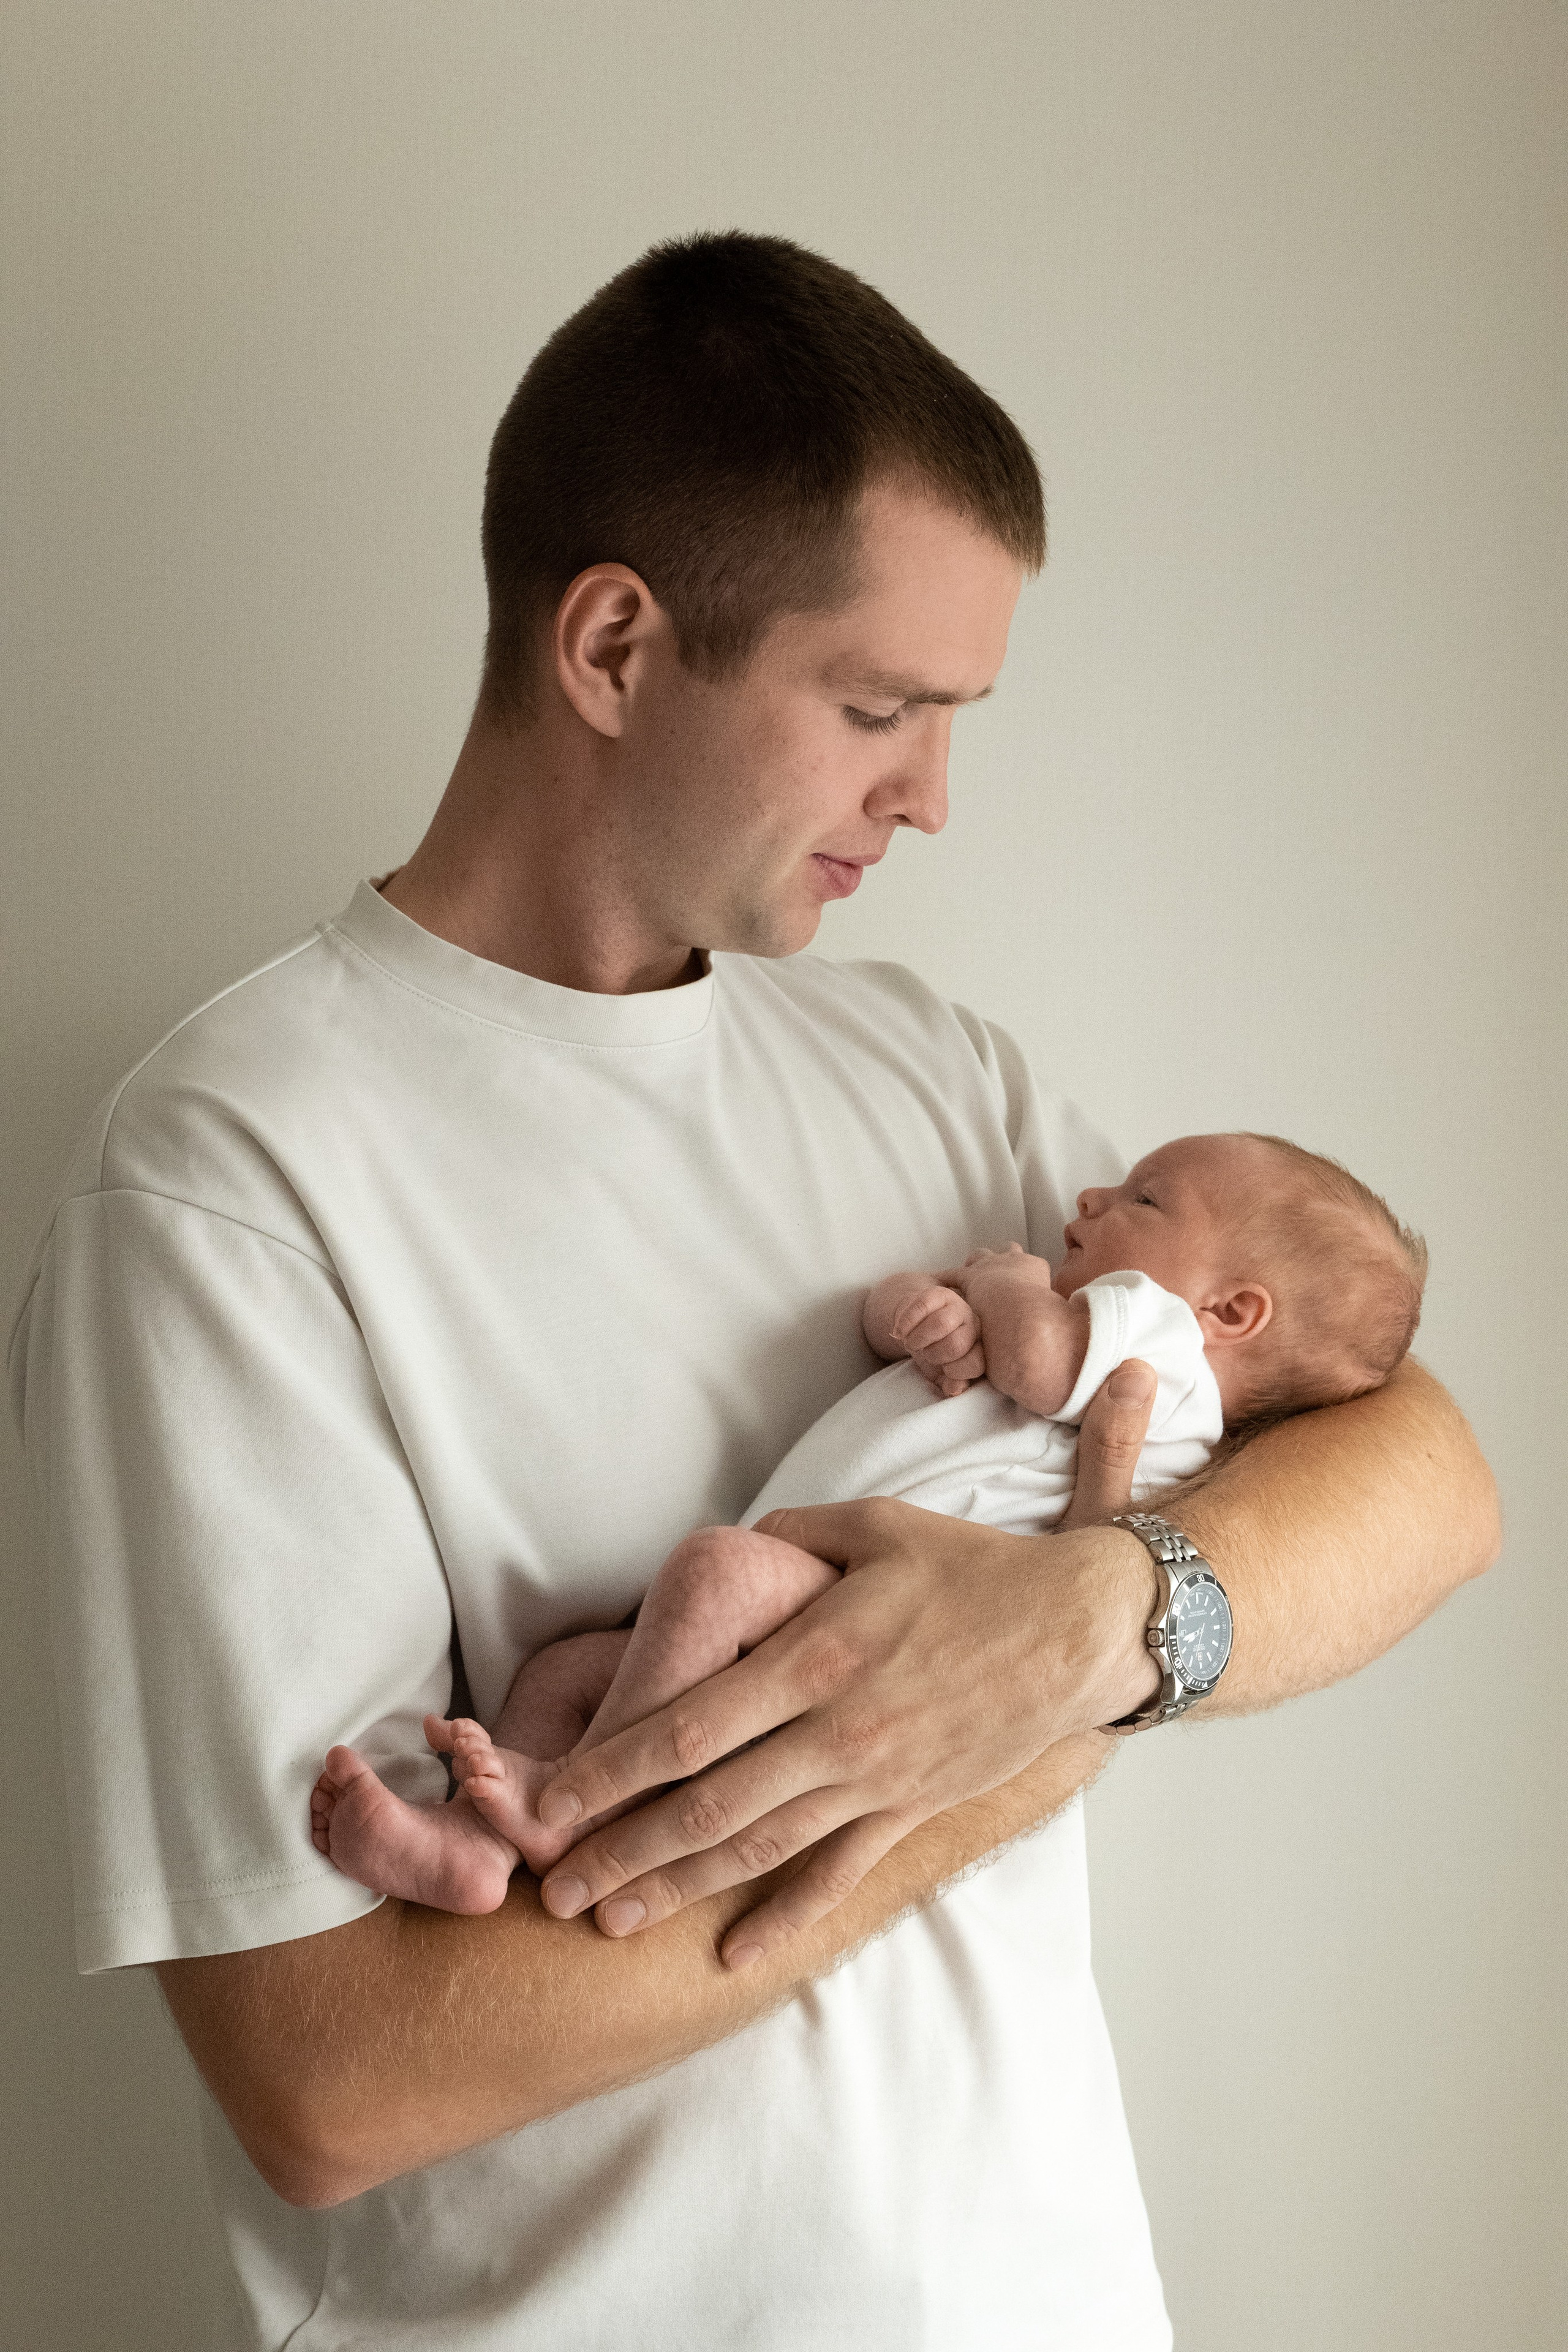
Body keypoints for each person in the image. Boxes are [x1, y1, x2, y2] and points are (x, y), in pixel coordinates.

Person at [9, 233, 1497, 2351]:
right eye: (879, 709)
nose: (933, 797)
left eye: (954, 719)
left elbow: (1426, 1473)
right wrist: (979, 1735)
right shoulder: (233, 1183)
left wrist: (1097, 1627)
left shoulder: (935, 1073)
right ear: (615, 644)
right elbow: (334, 2078)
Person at [309, 1130, 1428, 1913]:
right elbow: (894, 1318)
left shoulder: (1159, 1344)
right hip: (825, 1618)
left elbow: (1038, 1367)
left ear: (1233, 1311)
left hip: (870, 1623)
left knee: (711, 1573)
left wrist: (1003, 1285)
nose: (1092, 1198)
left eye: (1146, 1200)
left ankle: (567, 1802)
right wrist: (920, 1311)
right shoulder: (1091, 1322)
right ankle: (476, 1845)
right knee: (566, 1670)